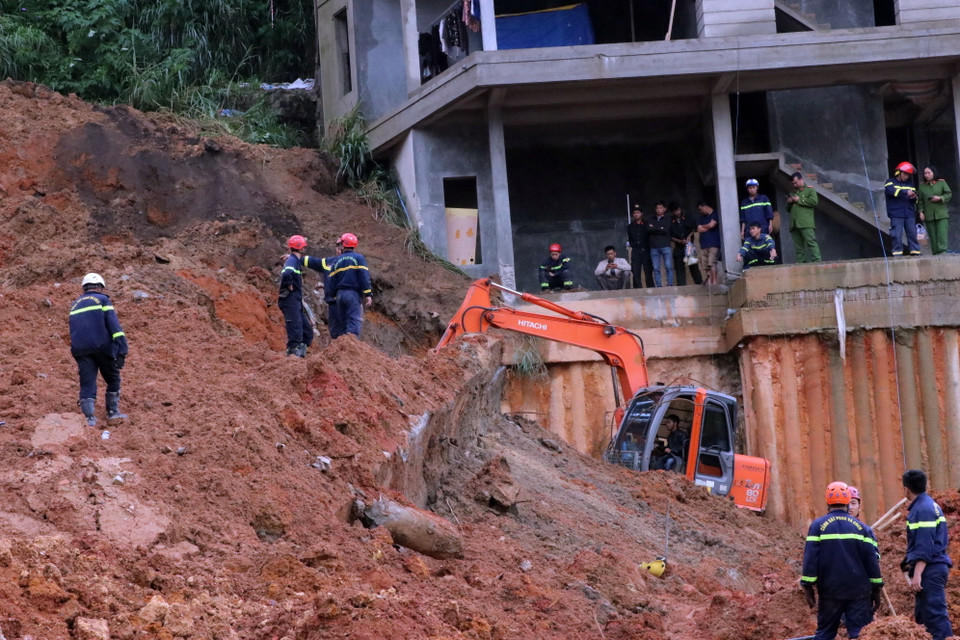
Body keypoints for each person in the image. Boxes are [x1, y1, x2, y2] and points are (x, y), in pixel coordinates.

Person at [801, 481, 883, 640]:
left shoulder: (817, 526)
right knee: (859, 634)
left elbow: (810, 559)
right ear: (847, 501)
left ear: (827, 502)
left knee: (825, 634)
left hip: (830, 592)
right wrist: (876, 588)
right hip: (859, 593)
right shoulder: (862, 529)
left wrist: (808, 586)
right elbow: (871, 561)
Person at [69, 273, 129, 427]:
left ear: (84, 287)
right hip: (102, 347)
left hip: (80, 350)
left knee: (87, 382)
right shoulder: (103, 300)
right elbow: (114, 326)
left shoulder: (75, 304)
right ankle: (112, 413)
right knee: (113, 379)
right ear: (100, 287)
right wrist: (122, 349)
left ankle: (89, 418)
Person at [901, 469, 953, 640]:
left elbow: (925, 544)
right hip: (932, 567)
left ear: (906, 488)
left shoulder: (922, 509)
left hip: (930, 569)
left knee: (935, 615)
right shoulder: (929, 505)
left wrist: (917, 573)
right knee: (923, 617)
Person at [279, 235, 329, 357]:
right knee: (295, 329)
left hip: (295, 300)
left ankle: (300, 353)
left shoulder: (294, 260)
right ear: (301, 248)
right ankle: (293, 354)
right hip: (289, 300)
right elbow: (287, 273)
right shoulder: (291, 260)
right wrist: (288, 284)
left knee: (307, 332)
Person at [327, 232, 373, 338]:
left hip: (339, 295)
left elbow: (332, 281)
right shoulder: (359, 258)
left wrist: (333, 296)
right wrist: (368, 294)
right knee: (353, 321)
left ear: (343, 245)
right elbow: (364, 277)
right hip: (352, 294)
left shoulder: (336, 261)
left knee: (343, 324)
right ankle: (351, 349)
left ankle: (343, 349)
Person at [885, 162, 921, 257]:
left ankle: (915, 252)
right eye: (905, 174)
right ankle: (897, 253)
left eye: (908, 175)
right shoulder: (890, 182)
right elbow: (891, 191)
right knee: (896, 234)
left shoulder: (910, 184)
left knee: (912, 234)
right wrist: (906, 192)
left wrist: (913, 197)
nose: (906, 176)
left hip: (909, 213)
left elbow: (915, 201)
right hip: (896, 213)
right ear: (898, 172)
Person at [787, 172, 821, 263]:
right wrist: (789, 202)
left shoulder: (809, 190)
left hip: (805, 222)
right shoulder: (793, 192)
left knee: (811, 242)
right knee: (799, 247)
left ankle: (817, 261)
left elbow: (814, 202)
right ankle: (801, 263)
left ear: (801, 180)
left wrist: (800, 200)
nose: (794, 185)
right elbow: (788, 209)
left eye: (796, 182)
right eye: (793, 183)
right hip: (794, 223)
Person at [917, 165, 952, 256]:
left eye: (929, 173)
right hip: (928, 214)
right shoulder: (922, 186)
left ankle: (942, 252)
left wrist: (940, 198)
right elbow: (920, 200)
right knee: (932, 236)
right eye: (925, 173)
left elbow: (948, 194)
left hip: (941, 213)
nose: (927, 175)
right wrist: (920, 211)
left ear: (934, 173)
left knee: (942, 234)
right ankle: (935, 253)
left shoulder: (941, 183)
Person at [669, 202, 702, 286]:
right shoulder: (671, 220)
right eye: (675, 211)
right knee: (679, 266)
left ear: (680, 209)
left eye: (678, 210)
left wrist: (689, 237)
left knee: (693, 264)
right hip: (678, 245)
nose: (677, 213)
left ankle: (699, 283)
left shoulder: (688, 216)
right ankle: (681, 285)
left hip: (689, 245)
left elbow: (694, 228)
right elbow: (669, 235)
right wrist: (679, 241)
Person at [648, 201, 674, 287]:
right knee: (656, 268)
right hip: (654, 246)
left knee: (668, 266)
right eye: (657, 208)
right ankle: (659, 286)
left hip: (665, 245)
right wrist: (660, 228)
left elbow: (666, 230)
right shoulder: (651, 219)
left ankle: (670, 284)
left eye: (660, 208)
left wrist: (655, 228)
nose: (659, 210)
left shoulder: (668, 219)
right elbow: (649, 229)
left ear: (664, 209)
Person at [627, 206, 654, 288]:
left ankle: (651, 289)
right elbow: (630, 238)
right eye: (634, 213)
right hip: (636, 250)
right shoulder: (630, 226)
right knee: (635, 271)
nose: (636, 215)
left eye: (638, 213)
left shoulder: (647, 224)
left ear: (641, 214)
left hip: (646, 250)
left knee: (648, 270)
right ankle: (638, 289)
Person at [696, 201, 721, 285]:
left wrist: (704, 226)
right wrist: (707, 225)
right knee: (705, 264)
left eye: (701, 209)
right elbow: (699, 229)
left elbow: (712, 225)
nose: (700, 212)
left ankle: (715, 283)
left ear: (705, 206)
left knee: (712, 263)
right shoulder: (702, 218)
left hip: (714, 244)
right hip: (703, 245)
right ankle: (709, 283)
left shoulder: (715, 214)